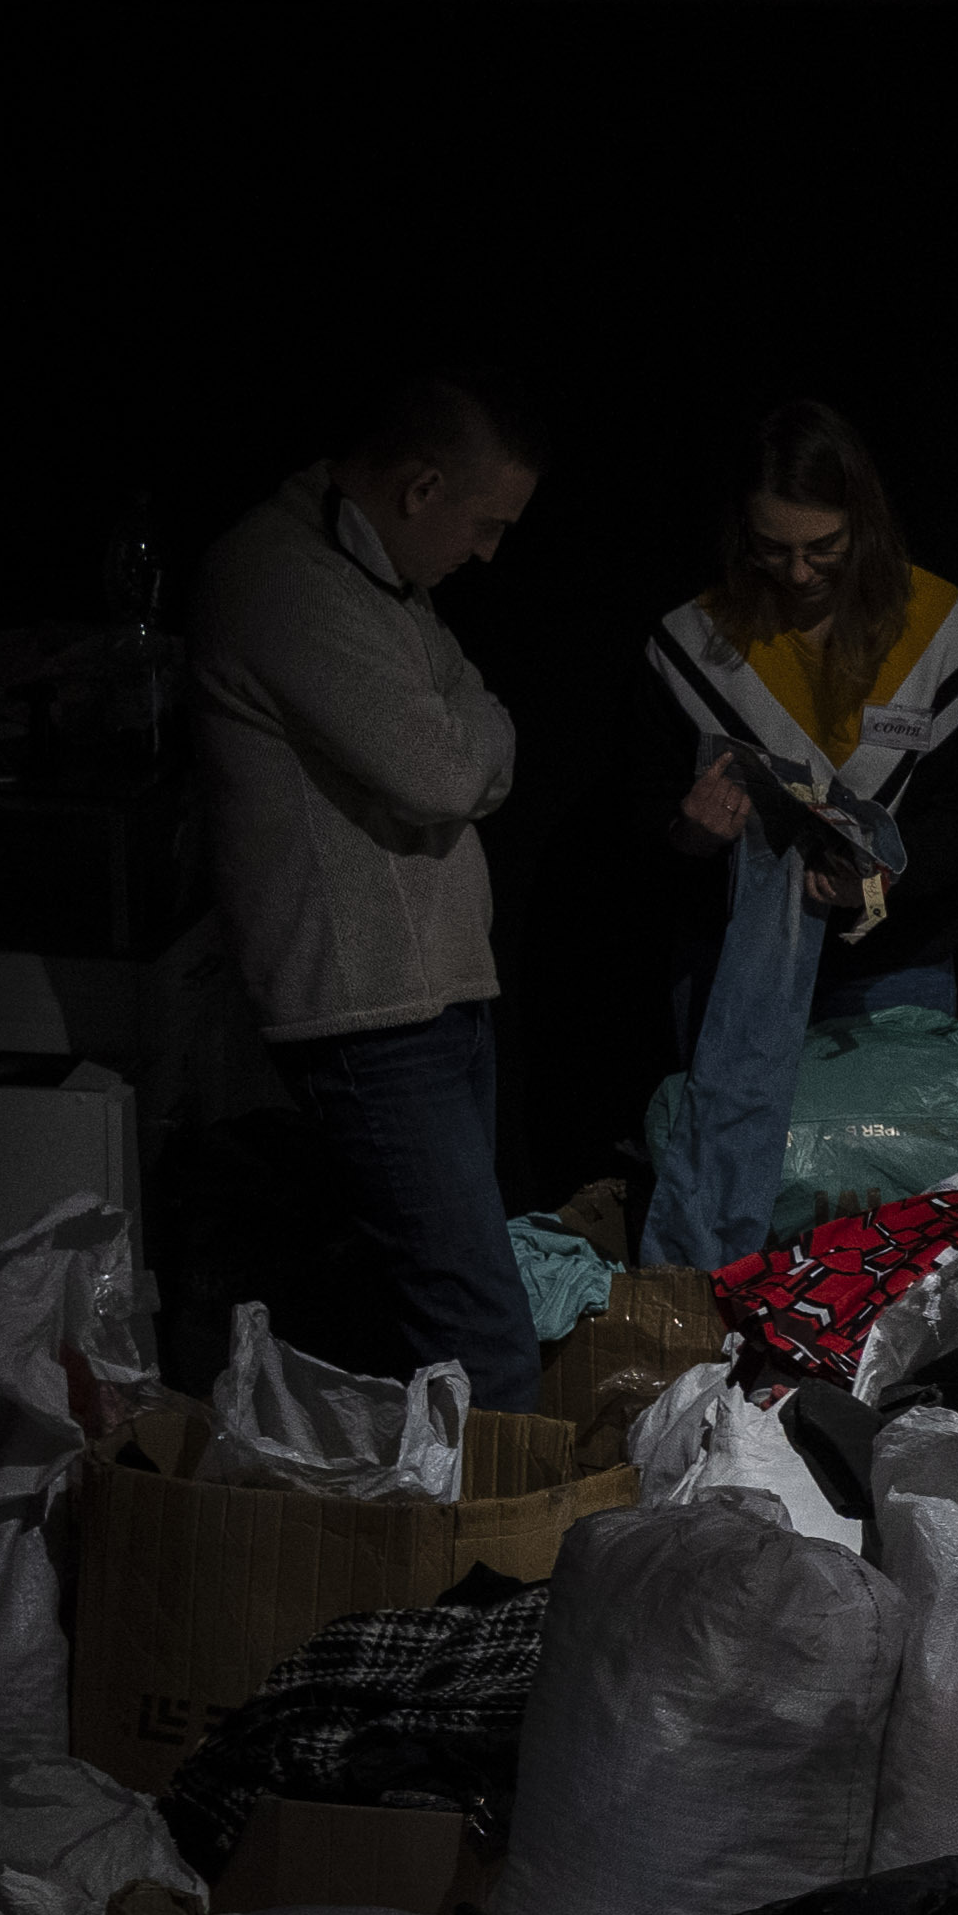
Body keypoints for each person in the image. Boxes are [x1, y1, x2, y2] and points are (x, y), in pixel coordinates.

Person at [189, 375, 549, 1409]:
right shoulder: (283, 578)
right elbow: (445, 770)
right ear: (422, 486)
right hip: (372, 1017)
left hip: (432, 998)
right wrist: (463, 734)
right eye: (483, 524)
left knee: (447, 1321)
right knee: (480, 1333)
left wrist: (462, 729)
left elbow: (483, 722)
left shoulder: (375, 573)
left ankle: (450, 1551)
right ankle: (498, 1570)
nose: (487, 552)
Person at [643, 398, 958, 1271]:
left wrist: (876, 880)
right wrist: (692, 833)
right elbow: (644, 833)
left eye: (823, 547)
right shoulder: (700, 643)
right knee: (752, 1197)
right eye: (773, 548)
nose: (799, 572)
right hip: (740, 976)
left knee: (895, 1202)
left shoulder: (937, 627)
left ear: (864, 524)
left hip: (894, 969)